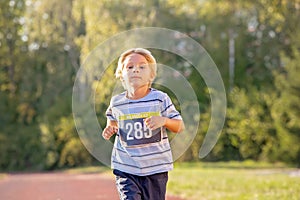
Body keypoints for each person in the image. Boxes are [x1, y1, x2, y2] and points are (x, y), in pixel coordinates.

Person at [102, 48, 185, 200]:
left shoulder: (160, 99)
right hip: (125, 167)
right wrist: (110, 127)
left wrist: (164, 121)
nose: (136, 70)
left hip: (155, 169)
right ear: (121, 76)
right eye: (130, 67)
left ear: (151, 75)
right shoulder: (117, 102)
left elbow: (179, 126)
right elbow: (112, 118)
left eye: (142, 66)